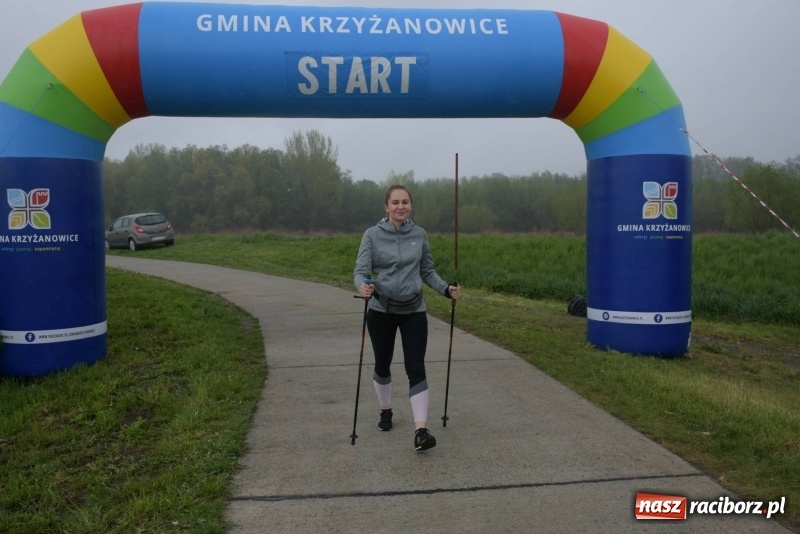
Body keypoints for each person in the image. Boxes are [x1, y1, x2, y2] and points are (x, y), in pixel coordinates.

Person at [354, 184, 461, 451]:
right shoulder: (372, 235)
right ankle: (386, 409)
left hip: (414, 310)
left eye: (405, 202)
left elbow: (427, 271)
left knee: (416, 368)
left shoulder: (420, 234)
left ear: (410, 205)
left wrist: (446, 289)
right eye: (395, 202)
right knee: (382, 364)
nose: (400, 207)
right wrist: (363, 287)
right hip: (381, 311)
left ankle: (421, 430)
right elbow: (360, 271)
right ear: (386, 207)